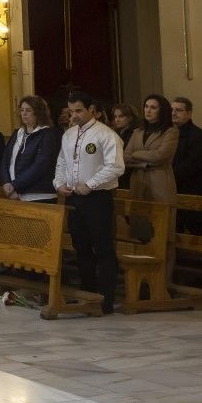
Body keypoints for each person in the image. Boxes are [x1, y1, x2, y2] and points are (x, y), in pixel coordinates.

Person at [54, 92, 125, 314]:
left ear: (91, 110)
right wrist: (59, 183)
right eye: (70, 111)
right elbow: (62, 162)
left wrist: (91, 184)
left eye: (78, 111)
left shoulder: (106, 134)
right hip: (74, 198)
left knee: (102, 248)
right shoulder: (68, 134)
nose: (73, 116)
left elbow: (115, 167)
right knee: (81, 247)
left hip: (98, 198)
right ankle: (87, 294)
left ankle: (105, 300)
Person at [2, 95, 59, 202]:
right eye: (22, 110)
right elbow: (5, 159)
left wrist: (15, 185)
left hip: (38, 194)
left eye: (28, 110)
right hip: (14, 192)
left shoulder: (47, 135)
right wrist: (6, 182)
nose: (24, 113)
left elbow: (39, 166)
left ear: (38, 113)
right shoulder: (17, 133)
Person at [123, 95, 177, 205]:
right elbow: (125, 157)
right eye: (146, 107)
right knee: (139, 218)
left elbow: (161, 156)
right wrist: (144, 164)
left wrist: (136, 154)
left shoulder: (170, 131)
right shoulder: (137, 131)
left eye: (153, 108)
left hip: (159, 180)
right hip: (137, 180)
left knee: (160, 217)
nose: (148, 110)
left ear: (162, 111)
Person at [170, 97, 202, 196]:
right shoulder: (168, 133)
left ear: (189, 114)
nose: (173, 113)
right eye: (171, 110)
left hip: (190, 190)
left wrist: (168, 176)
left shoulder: (198, 136)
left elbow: (191, 165)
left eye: (178, 110)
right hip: (170, 187)